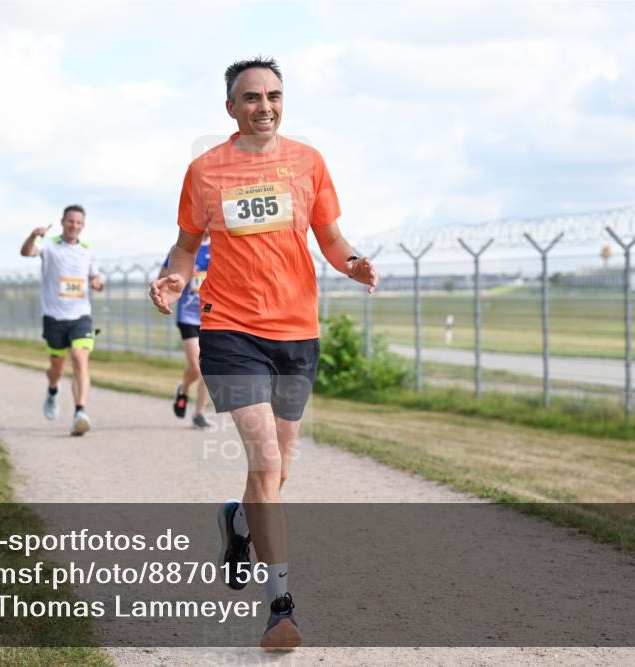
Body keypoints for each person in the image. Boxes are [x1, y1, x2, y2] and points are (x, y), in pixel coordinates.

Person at [149, 57, 377, 651]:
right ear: (230, 107)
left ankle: (239, 523)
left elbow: (328, 237)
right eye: (251, 97)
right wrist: (174, 279)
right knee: (267, 462)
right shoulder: (205, 171)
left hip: (297, 332)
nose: (264, 106)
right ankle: (280, 607)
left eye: (274, 95)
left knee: (277, 470)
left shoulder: (309, 162)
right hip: (230, 330)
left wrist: (351, 264)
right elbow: (184, 246)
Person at [20, 205, 104, 436]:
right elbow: (26, 252)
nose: (74, 226)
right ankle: (53, 390)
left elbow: (95, 276)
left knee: (79, 358)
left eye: (78, 222)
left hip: (80, 315)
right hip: (54, 317)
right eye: (70, 221)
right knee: (57, 369)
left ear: (83, 226)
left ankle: (80, 412)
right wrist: (32, 236)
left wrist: (97, 282)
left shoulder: (88, 250)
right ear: (62, 222)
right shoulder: (49, 245)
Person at [158, 230, 213, 428]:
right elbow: (163, 276)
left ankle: (199, 413)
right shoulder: (184, 249)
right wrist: (173, 281)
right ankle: (183, 388)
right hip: (188, 316)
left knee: (208, 367)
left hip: (212, 316)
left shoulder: (219, 247)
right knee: (196, 367)